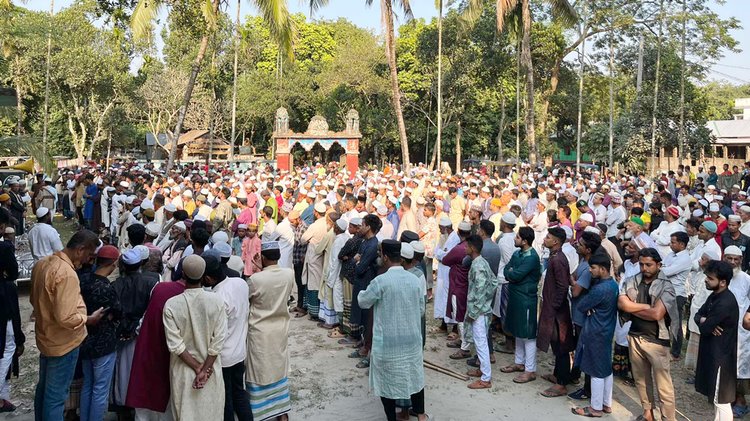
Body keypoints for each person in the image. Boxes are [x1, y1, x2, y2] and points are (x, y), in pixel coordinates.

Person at [30, 229, 105, 421]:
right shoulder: (67, 273)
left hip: (47, 338)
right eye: (89, 256)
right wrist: (88, 319)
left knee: (45, 391)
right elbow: (66, 317)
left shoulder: (42, 264)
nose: (89, 261)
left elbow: (34, 300)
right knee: (56, 398)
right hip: (64, 344)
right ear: (80, 250)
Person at [357, 240, 428, 421]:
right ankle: (421, 416)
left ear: (386, 257)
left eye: (381, 254)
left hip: (388, 342)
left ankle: (392, 418)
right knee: (414, 377)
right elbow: (421, 310)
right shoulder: (414, 280)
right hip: (411, 340)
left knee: (386, 382)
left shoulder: (381, 281)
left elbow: (363, 301)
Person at [618, 247, 679, 421]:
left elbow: (657, 314)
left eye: (649, 265)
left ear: (658, 265)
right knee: (641, 380)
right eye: (642, 264)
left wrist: (633, 307)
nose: (645, 269)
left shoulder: (666, 285)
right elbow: (623, 304)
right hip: (635, 335)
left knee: (664, 386)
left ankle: (668, 418)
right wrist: (645, 307)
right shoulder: (632, 280)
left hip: (657, 341)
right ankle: (648, 414)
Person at [163, 255, 227, 420]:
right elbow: (218, 341)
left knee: (185, 414)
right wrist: (204, 369)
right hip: (211, 370)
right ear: (203, 274)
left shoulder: (171, 305)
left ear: (183, 274)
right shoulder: (217, 301)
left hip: (183, 372)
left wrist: (198, 368)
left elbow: (175, 345)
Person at [245, 241, 295, 421]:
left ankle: (261, 412)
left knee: (259, 371)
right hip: (280, 330)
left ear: (263, 257)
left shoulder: (255, 280)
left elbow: (248, 301)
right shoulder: (289, 274)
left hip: (259, 332)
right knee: (278, 368)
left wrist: (259, 270)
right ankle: (282, 412)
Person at [202, 256, 251, 421]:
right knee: (239, 393)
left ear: (208, 278)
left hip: (223, 357)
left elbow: (214, 335)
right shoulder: (240, 283)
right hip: (239, 352)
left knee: (225, 399)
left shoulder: (216, 298)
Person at [571, 251, 619, 418]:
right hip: (606, 330)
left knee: (595, 369)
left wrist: (590, 307)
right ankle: (606, 403)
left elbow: (582, 305)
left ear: (603, 269)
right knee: (606, 368)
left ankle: (595, 408)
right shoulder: (613, 285)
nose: (590, 270)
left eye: (593, 267)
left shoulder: (599, 289)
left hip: (595, 331)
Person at [78, 245, 121, 421]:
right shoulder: (107, 288)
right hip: (104, 343)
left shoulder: (84, 281)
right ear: (113, 263)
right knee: (100, 389)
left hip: (85, 339)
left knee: (87, 385)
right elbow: (118, 311)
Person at [694, 260, 739, 421]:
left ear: (723, 282)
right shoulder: (715, 295)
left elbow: (704, 327)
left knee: (721, 400)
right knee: (716, 398)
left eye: (710, 278)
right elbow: (697, 316)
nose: (706, 280)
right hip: (713, 353)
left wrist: (705, 322)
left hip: (721, 358)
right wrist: (705, 320)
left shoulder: (725, 302)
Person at [537, 227, 575, 398]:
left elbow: (562, 286)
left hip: (557, 312)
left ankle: (562, 384)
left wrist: (554, 306)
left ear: (556, 241)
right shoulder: (554, 257)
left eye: (548, 237)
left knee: (561, 346)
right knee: (555, 343)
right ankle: (557, 375)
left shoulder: (558, 260)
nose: (545, 239)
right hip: (553, 308)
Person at [500, 226, 540, 384]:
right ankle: (519, 362)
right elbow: (506, 270)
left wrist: (511, 273)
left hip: (526, 299)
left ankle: (530, 369)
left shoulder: (531, 257)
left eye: (517, 237)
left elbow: (515, 274)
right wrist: (511, 273)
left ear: (524, 241)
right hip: (516, 297)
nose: (514, 239)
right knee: (518, 330)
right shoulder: (518, 253)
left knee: (528, 333)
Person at [464, 234, 497, 389]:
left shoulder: (478, 266)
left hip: (479, 311)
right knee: (479, 341)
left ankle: (485, 378)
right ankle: (482, 370)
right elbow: (493, 282)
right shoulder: (480, 262)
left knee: (481, 342)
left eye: (466, 246)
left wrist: (475, 310)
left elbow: (481, 289)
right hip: (481, 309)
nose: (464, 248)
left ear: (472, 248)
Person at [0, 208, 23, 413]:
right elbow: (12, 273)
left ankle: (3, 395)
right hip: (3, 301)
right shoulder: (5, 248)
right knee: (8, 347)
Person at [660, 231, 691, 360]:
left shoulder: (685, 258)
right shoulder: (671, 255)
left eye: (673, 242)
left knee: (675, 324)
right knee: (665, 321)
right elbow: (662, 266)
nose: (670, 244)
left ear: (682, 244)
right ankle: (664, 347)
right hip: (666, 291)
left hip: (677, 294)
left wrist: (662, 268)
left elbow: (665, 271)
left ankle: (676, 352)